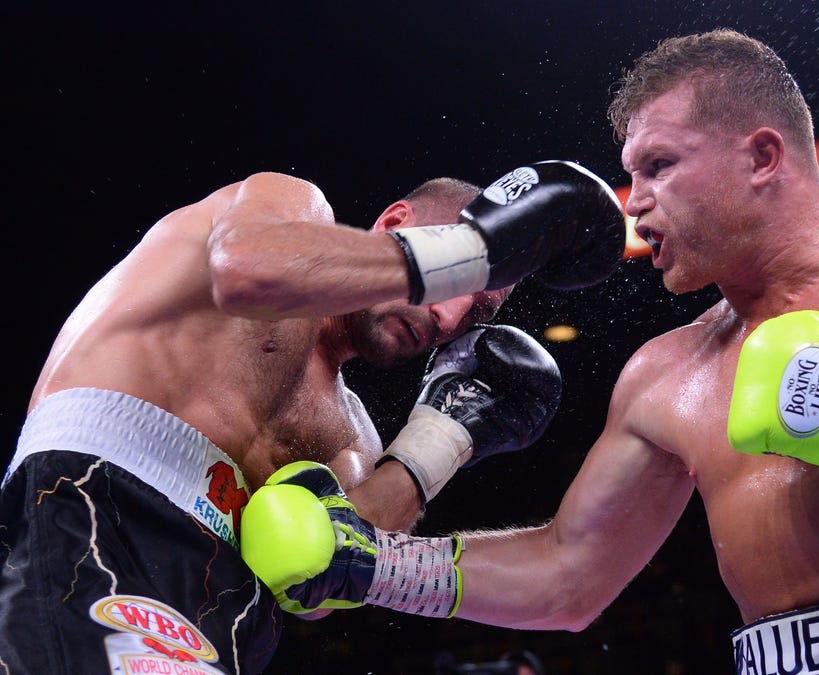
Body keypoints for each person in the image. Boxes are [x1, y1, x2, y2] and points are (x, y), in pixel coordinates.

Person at [243, 30, 819, 674]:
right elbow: (568, 575)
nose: (631, 201)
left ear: (763, 155)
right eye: (628, 172)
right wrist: (370, 564)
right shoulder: (666, 371)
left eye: (658, 166)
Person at [0, 160, 626, 673]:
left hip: (227, 617)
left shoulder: (352, 433)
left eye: (478, 310)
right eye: (460, 274)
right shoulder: (288, 204)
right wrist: (480, 246)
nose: (449, 317)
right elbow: (245, 267)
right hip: (93, 509)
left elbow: (319, 582)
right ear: (397, 223)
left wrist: (441, 438)